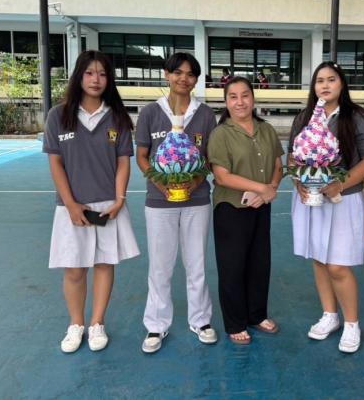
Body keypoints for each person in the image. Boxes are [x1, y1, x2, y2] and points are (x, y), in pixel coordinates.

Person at [42, 50, 140, 353]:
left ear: (109, 79)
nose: (96, 79)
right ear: (79, 76)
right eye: (89, 73)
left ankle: (97, 322)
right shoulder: (58, 115)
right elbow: (56, 163)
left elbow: (123, 163)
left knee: (104, 264)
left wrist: (120, 199)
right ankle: (76, 324)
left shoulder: (118, 117)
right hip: (72, 207)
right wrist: (71, 204)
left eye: (102, 74)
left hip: (108, 205)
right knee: (74, 269)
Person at [289, 61, 364, 354]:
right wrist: (299, 182)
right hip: (312, 199)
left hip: (344, 199)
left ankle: (352, 323)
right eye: (320, 81)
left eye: (331, 79)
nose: (325, 85)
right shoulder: (304, 117)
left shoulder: (357, 117)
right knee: (319, 258)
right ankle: (330, 315)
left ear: (342, 84)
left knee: (338, 264)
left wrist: (341, 183)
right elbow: (293, 156)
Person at [135, 53, 218, 354]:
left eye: (191, 74)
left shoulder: (205, 115)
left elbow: (209, 159)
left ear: (196, 80)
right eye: (178, 72)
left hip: (197, 201)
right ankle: (156, 325)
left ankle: (201, 320)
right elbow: (142, 156)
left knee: (197, 264)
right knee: (160, 266)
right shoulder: (150, 113)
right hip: (159, 202)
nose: (184, 78)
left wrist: (193, 184)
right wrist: (162, 185)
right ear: (167, 75)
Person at [207, 76, 284, 345]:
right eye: (233, 97)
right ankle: (236, 322)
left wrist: (269, 189)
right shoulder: (220, 134)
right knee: (233, 267)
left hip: (260, 207)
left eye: (245, 95)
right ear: (226, 102)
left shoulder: (267, 130)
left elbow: (278, 166)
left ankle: (256, 315)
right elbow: (222, 176)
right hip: (231, 208)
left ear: (253, 98)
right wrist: (262, 188)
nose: (240, 102)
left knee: (260, 264)